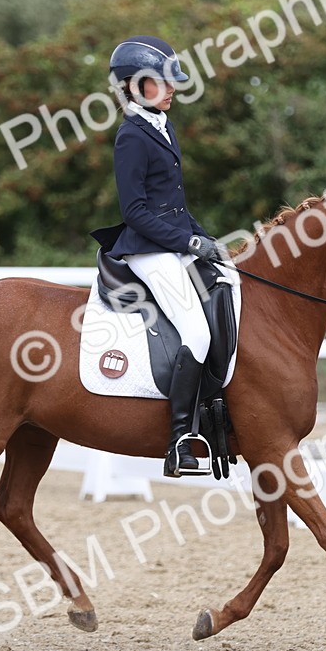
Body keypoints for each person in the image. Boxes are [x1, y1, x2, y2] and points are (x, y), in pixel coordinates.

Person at [90, 35, 225, 477]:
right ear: (131, 86)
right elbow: (135, 211)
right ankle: (181, 440)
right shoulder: (131, 136)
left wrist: (207, 240)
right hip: (150, 249)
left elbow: (176, 205)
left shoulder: (161, 127)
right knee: (197, 333)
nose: (171, 89)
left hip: (174, 240)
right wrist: (187, 244)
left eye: (171, 82)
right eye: (160, 83)